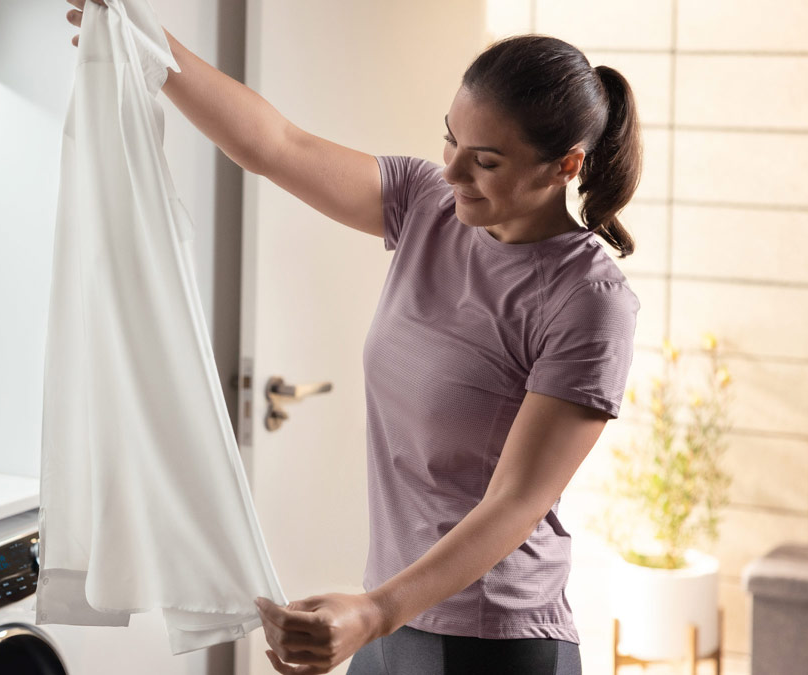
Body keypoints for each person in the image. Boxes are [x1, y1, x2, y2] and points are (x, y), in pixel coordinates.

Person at [65, 3, 642, 674]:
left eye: (485, 161)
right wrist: (154, 50)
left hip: (492, 639)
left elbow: (516, 501)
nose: (452, 174)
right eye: (450, 140)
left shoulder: (588, 300)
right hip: (392, 617)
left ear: (564, 166)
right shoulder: (429, 207)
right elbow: (276, 145)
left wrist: (373, 610)